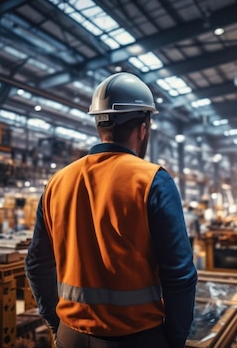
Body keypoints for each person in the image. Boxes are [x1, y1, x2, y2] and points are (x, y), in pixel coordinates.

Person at [25, 72, 198, 348]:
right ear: (144, 126)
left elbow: (36, 264)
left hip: (71, 336)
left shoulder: (57, 182)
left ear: (99, 124)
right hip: (138, 338)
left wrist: (55, 324)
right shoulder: (153, 181)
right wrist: (174, 340)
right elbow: (180, 275)